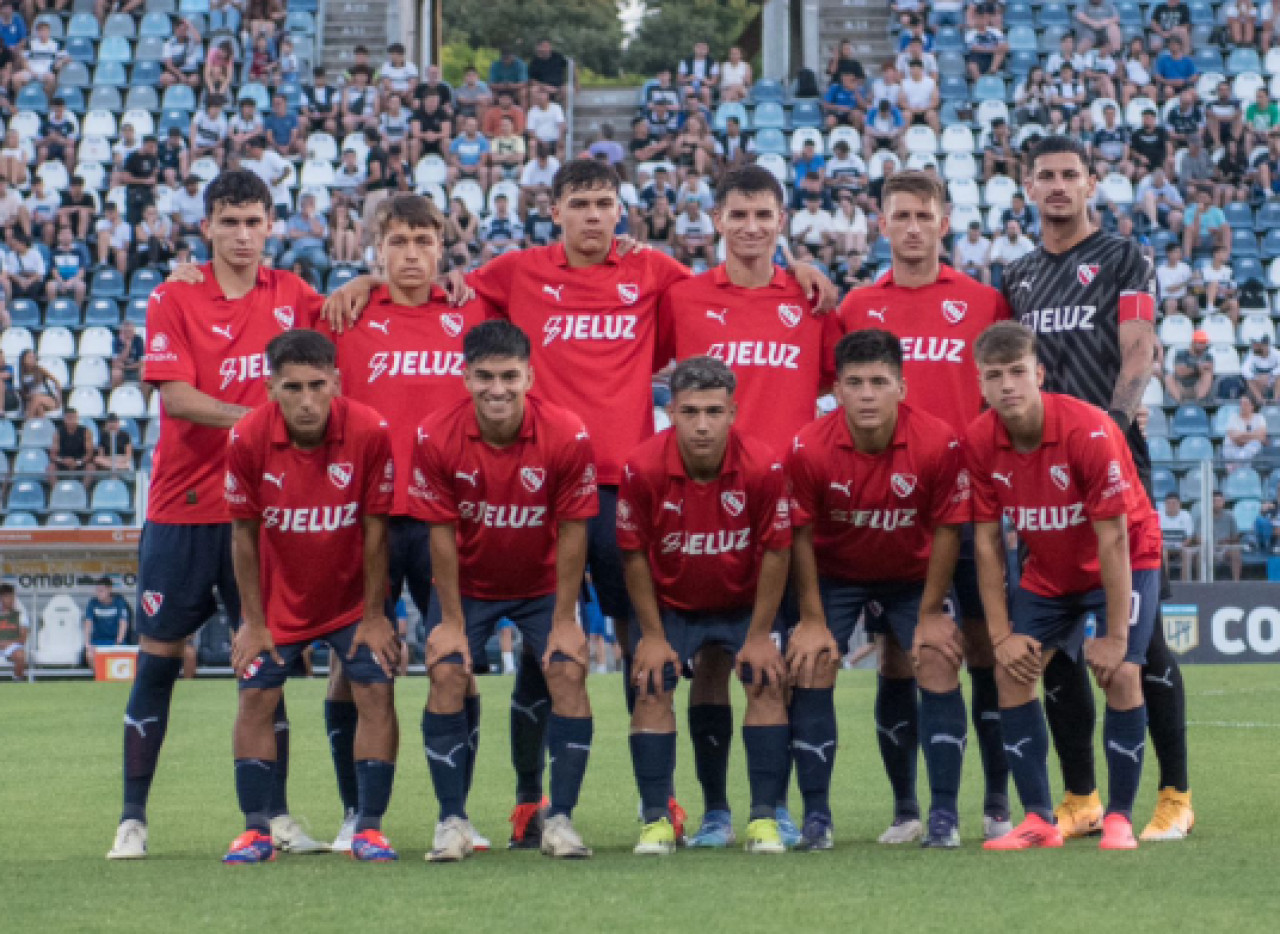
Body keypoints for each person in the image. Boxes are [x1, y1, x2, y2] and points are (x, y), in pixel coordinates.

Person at [324, 160, 836, 845]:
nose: (595, 216)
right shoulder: (514, 273)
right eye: (581, 204)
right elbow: (430, 289)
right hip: (541, 488)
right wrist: (367, 280)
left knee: (642, 647)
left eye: (605, 204)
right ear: (555, 210)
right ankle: (530, 801)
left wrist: (797, 266)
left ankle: (661, 804)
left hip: (630, 489)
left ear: (619, 211)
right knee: (547, 646)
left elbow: (744, 271)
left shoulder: (655, 273)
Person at [106, 171, 326, 861]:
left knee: (267, 664)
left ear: (271, 226)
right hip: (184, 508)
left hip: (261, 516)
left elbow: (354, 322)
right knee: (159, 661)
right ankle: (132, 819)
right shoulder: (173, 295)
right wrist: (266, 420)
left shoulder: (295, 296)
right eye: (228, 221)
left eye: (253, 221)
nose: (241, 234)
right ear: (208, 226)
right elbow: (177, 398)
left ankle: (276, 817)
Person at [1002, 135, 1192, 843]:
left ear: (1091, 184)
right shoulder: (1017, 275)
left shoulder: (1122, 257)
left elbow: (1139, 344)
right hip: (1040, 477)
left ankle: (1174, 792)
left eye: (1069, 175)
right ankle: (1080, 795)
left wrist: (1112, 423)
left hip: (1111, 460)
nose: (1057, 186)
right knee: (1051, 637)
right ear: (1026, 187)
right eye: (1044, 176)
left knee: (1138, 643)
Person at [659, 166, 841, 848]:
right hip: (701, 504)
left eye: (764, 214)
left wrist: (811, 273)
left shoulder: (812, 300)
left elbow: (837, 382)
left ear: (783, 221)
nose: (751, 226)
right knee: (709, 661)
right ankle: (714, 811)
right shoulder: (682, 298)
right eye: (738, 213)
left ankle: (779, 806)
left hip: (784, 504)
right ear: (716, 220)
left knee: (779, 663)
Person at [839, 169, 1015, 843]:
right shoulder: (857, 306)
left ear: (945, 223)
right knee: (897, 657)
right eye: (900, 216)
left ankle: (996, 802)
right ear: (881, 225)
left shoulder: (981, 300)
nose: (912, 227)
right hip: (890, 515)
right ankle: (907, 810)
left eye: (924, 215)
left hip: (971, 508)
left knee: (980, 650)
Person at [317, 193, 491, 848]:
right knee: (354, 664)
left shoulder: (471, 311)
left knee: (455, 659)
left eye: (424, 240)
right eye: (398, 242)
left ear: (441, 247)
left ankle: (456, 814)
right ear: (377, 248)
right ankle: (355, 814)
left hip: (450, 518)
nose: (411, 253)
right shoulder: (345, 313)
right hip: (368, 520)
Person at [409, 320, 598, 861]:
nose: (498, 388)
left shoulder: (567, 433)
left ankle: (558, 819)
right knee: (446, 673)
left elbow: (574, 530)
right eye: (486, 376)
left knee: (566, 669)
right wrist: (450, 621)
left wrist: (564, 618)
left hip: (542, 585)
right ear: (465, 377)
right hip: (468, 585)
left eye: (510, 376)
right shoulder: (434, 435)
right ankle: (452, 822)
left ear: (530, 375)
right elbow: (440, 536)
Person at [968, 321, 1161, 851]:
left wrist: (1115, 635)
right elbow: (987, 544)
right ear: (980, 385)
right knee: (1012, 673)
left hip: (1124, 557)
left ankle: (1119, 819)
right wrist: (1001, 632)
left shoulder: (1089, 431)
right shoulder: (979, 441)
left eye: (1017, 372)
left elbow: (1115, 540)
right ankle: (1037, 820)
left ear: (1039, 374)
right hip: (1049, 571)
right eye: (994, 376)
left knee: (1121, 672)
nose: (1008, 385)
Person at [786, 329, 973, 850]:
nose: (867, 394)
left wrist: (933, 612)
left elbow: (947, 531)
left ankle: (942, 816)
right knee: (812, 659)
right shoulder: (808, 447)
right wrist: (812, 618)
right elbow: (799, 535)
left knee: (935, 655)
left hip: (914, 577)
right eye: (854, 382)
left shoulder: (939, 442)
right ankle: (817, 819)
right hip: (836, 574)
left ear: (902, 387)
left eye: (879, 381)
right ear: (837, 391)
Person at [223, 330, 399, 864]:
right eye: (292, 387)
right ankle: (256, 830)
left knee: (375, 690)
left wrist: (374, 617)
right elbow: (243, 537)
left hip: (351, 604)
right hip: (279, 606)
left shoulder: (370, 430)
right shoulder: (248, 437)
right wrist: (254, 623)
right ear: (272, 387)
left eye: (317, 386)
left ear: (336, 384)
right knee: (254, 695)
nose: (305, 400)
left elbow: (375, 531)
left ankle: (369, 828)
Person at [620, 356, 792, 856]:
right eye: (690, 411)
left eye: (713, 412)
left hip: (742, 602)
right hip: (673, 603)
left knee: (765, 681)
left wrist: (760, 636)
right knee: (652, 686)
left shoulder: (763, 466)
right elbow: (632, 555)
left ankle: (763, 820)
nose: (701, 425)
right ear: (670, 410)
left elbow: (778, 551)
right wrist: (651, 637)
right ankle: (657, 820)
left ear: (733, 411)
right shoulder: (643, 466)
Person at [1181, 492, 1243, 581]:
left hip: (1224, 548)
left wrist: (1227, 540)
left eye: (1219, 501)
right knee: (1201, 554)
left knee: (1236, 553)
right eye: (1214, 501)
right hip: (1207, 547)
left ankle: (1236, 582)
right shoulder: (1202, 517)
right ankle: (1201, 583)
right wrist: (1204, 542)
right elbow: (1197, 537)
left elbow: (1236, 537)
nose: (1217, 503)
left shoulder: (1230, 516)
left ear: (1223, 502)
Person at [84, 578, 133, 669]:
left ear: (109, 590)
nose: (98, 593)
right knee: (90, 655)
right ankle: (98, 678)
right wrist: (87, 643)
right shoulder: (93, 603)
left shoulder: (119, 602)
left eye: (101, 591)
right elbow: (88, 623)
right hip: (98, 640)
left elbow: (123, 623)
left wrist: (119, 641)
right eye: (97, 591)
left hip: (115, 640)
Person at [1164, 330, 1215, 403]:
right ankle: (1180, 402)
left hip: (1197, 386)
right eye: (1200, 342)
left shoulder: (1208, 356)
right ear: (1193, 342)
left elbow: (1210, 370)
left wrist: (1190, 369)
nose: (1203, 345)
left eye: (1204, 343)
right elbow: (1180, 372)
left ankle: (1198, 402)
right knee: (1168, 377)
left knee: (1208, 375)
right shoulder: (1181, 354)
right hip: (1181, 386)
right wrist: (1197, 367)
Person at [49, 407, 94, 481]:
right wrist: (62, 461)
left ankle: (83, 490)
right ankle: (56, 490)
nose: (71, 420)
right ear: (64, 419)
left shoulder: (86, 432)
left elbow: (89, 453)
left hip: (80, 462)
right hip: (63, 462)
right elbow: (53, 455)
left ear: (77, 418)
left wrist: (78, 462)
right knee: (51, 468)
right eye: (68, 418)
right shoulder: (58, 433)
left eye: (73, 418)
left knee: (91, 467)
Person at [1224, 394, 1267, 462]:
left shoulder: (1259, 418)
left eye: (1245, 404)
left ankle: (1240, 461)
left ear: (1252, 406)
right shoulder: (1233, 418)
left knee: (1256, 444)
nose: (1242, 406)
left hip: (1250, 450)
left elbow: (1262, 438)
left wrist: (1242, 435)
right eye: (1241, 403)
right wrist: (1254, 435)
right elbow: (1235, 439)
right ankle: (1241, 461)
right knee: (1253, 445)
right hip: (1233, 449)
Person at [0, 583, 29, 680]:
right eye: (7, 597)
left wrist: (7, 643)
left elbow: (23, 639)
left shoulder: (21, 615)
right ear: (1, 598)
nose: (11, 600)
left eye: (12, 597)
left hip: (12, 647)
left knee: (21, 655)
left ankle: (18, 680)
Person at [1242, 333, 1280, 403]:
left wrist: (1270, 375)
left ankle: (1276, 401)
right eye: (1253, 344)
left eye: (1256, 344)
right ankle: (1261, 401)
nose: (1253, 346)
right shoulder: (1251, 354)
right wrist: (1256, 377)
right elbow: (1244, 370)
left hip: (1273, 380)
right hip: (1259, 381)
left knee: (1279, 377)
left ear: (1264, 345)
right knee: (1249, 379)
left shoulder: (1276, 353)